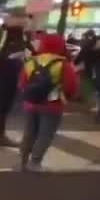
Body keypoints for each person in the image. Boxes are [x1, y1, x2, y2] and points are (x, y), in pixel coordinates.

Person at [17, 32, 78, 171]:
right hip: (52, 104)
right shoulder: (63, 63)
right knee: (45, 134)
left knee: (29, 132)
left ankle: (23, 162)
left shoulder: (31, 61)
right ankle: (35, 163)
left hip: (31, 103)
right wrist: (67, 97)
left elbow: (21, 84)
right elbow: (71, 86)